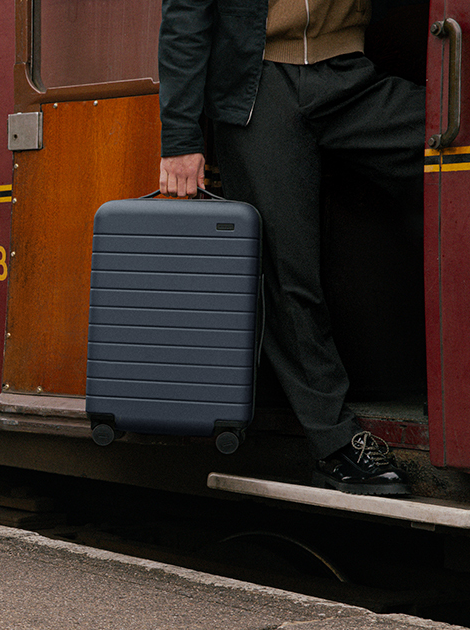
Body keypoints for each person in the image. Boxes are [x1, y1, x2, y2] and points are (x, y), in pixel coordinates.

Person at [158, 0, 421, 495]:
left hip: (348, 73)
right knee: (288, 271)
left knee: (449, 139)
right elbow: (185, 18)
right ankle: (334, 442)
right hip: (259, 86)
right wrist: (180, 137)